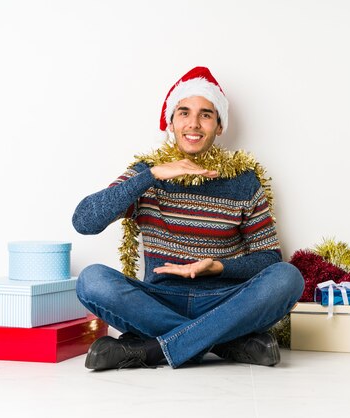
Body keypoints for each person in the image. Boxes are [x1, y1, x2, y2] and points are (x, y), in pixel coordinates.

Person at [72, 66, 304, 370]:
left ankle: (152, 349)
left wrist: (218, 267)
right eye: (184, 112)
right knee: (92, 280)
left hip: (222, 300)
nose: (193, 123)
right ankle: (226, 341)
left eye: (206, 114)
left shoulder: (243, 180)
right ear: (171, 121)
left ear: (219, 126)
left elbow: (270, 259)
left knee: (288, 278)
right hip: (157, 298)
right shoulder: (146, 173)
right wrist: (151, 175)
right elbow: (85, 221)